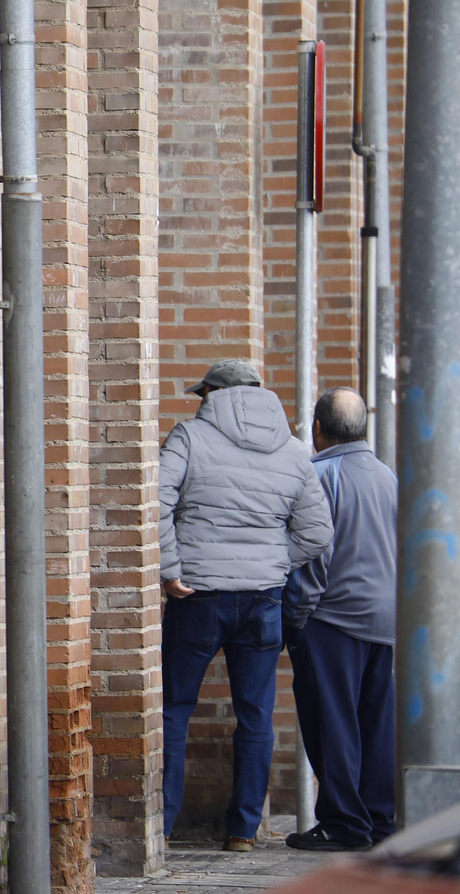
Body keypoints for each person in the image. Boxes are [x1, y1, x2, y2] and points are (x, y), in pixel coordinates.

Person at [159, 359, 333, 852]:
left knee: (173, 710)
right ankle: (242, 831)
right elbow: (317, 533)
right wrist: (274, 565)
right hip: (263, 600)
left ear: (212, 392)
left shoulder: (190, 437)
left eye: (202, 394)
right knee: (256, 715)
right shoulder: (295, 451)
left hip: (197, 596)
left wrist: (171, 570)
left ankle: (164, 824)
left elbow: (153, 501)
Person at [282, 388, 398, 852]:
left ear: (317, 430)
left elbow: (314, 556)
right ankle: (379, 822)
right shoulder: (389, 476)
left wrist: (294, 619)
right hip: (385, 620)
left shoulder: (318, 475)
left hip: (332, 619)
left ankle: (344, 825)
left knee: (333, 725)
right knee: (376, 725)